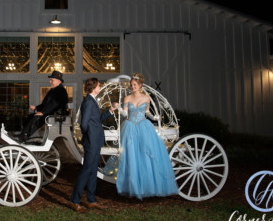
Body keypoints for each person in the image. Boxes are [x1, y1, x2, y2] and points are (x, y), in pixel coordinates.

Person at [116, 73, 178, 199]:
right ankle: (134, 186)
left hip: (144, 126)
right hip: (130, 126)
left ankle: (148, 185)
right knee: (132, 155)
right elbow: (124, 114)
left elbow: (147, 112)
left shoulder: (146, 98)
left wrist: (153, 117)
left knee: (147, 154)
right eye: (131, 85)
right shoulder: (127, 98)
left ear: (140, 86)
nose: (132, 87)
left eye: (135, 85)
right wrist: (119, 108)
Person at [69, 77, 117, 213]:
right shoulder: (89, 102)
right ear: (94, 87)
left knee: (92, 171)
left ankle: (91, 200)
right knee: (86, 171)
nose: (100, 86)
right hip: (91, 142)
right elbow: (83, 124)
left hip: (95, 142)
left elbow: (97, 120)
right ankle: (74, 201)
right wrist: (89, 137)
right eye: (99, 85)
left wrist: (111, 110)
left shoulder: (92, 101)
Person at [16, 70, 68, 143]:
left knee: (36, 117)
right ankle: (24, 135)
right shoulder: (54, 90)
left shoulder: (61, 90)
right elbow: (45, 104)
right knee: (31, 116)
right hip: (51, 113)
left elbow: (54, 103)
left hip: (56, 115)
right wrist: (36, 108)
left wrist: (43, 112)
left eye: (52, 80)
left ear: (58, 81)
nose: (50, 82)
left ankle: (24, 136)